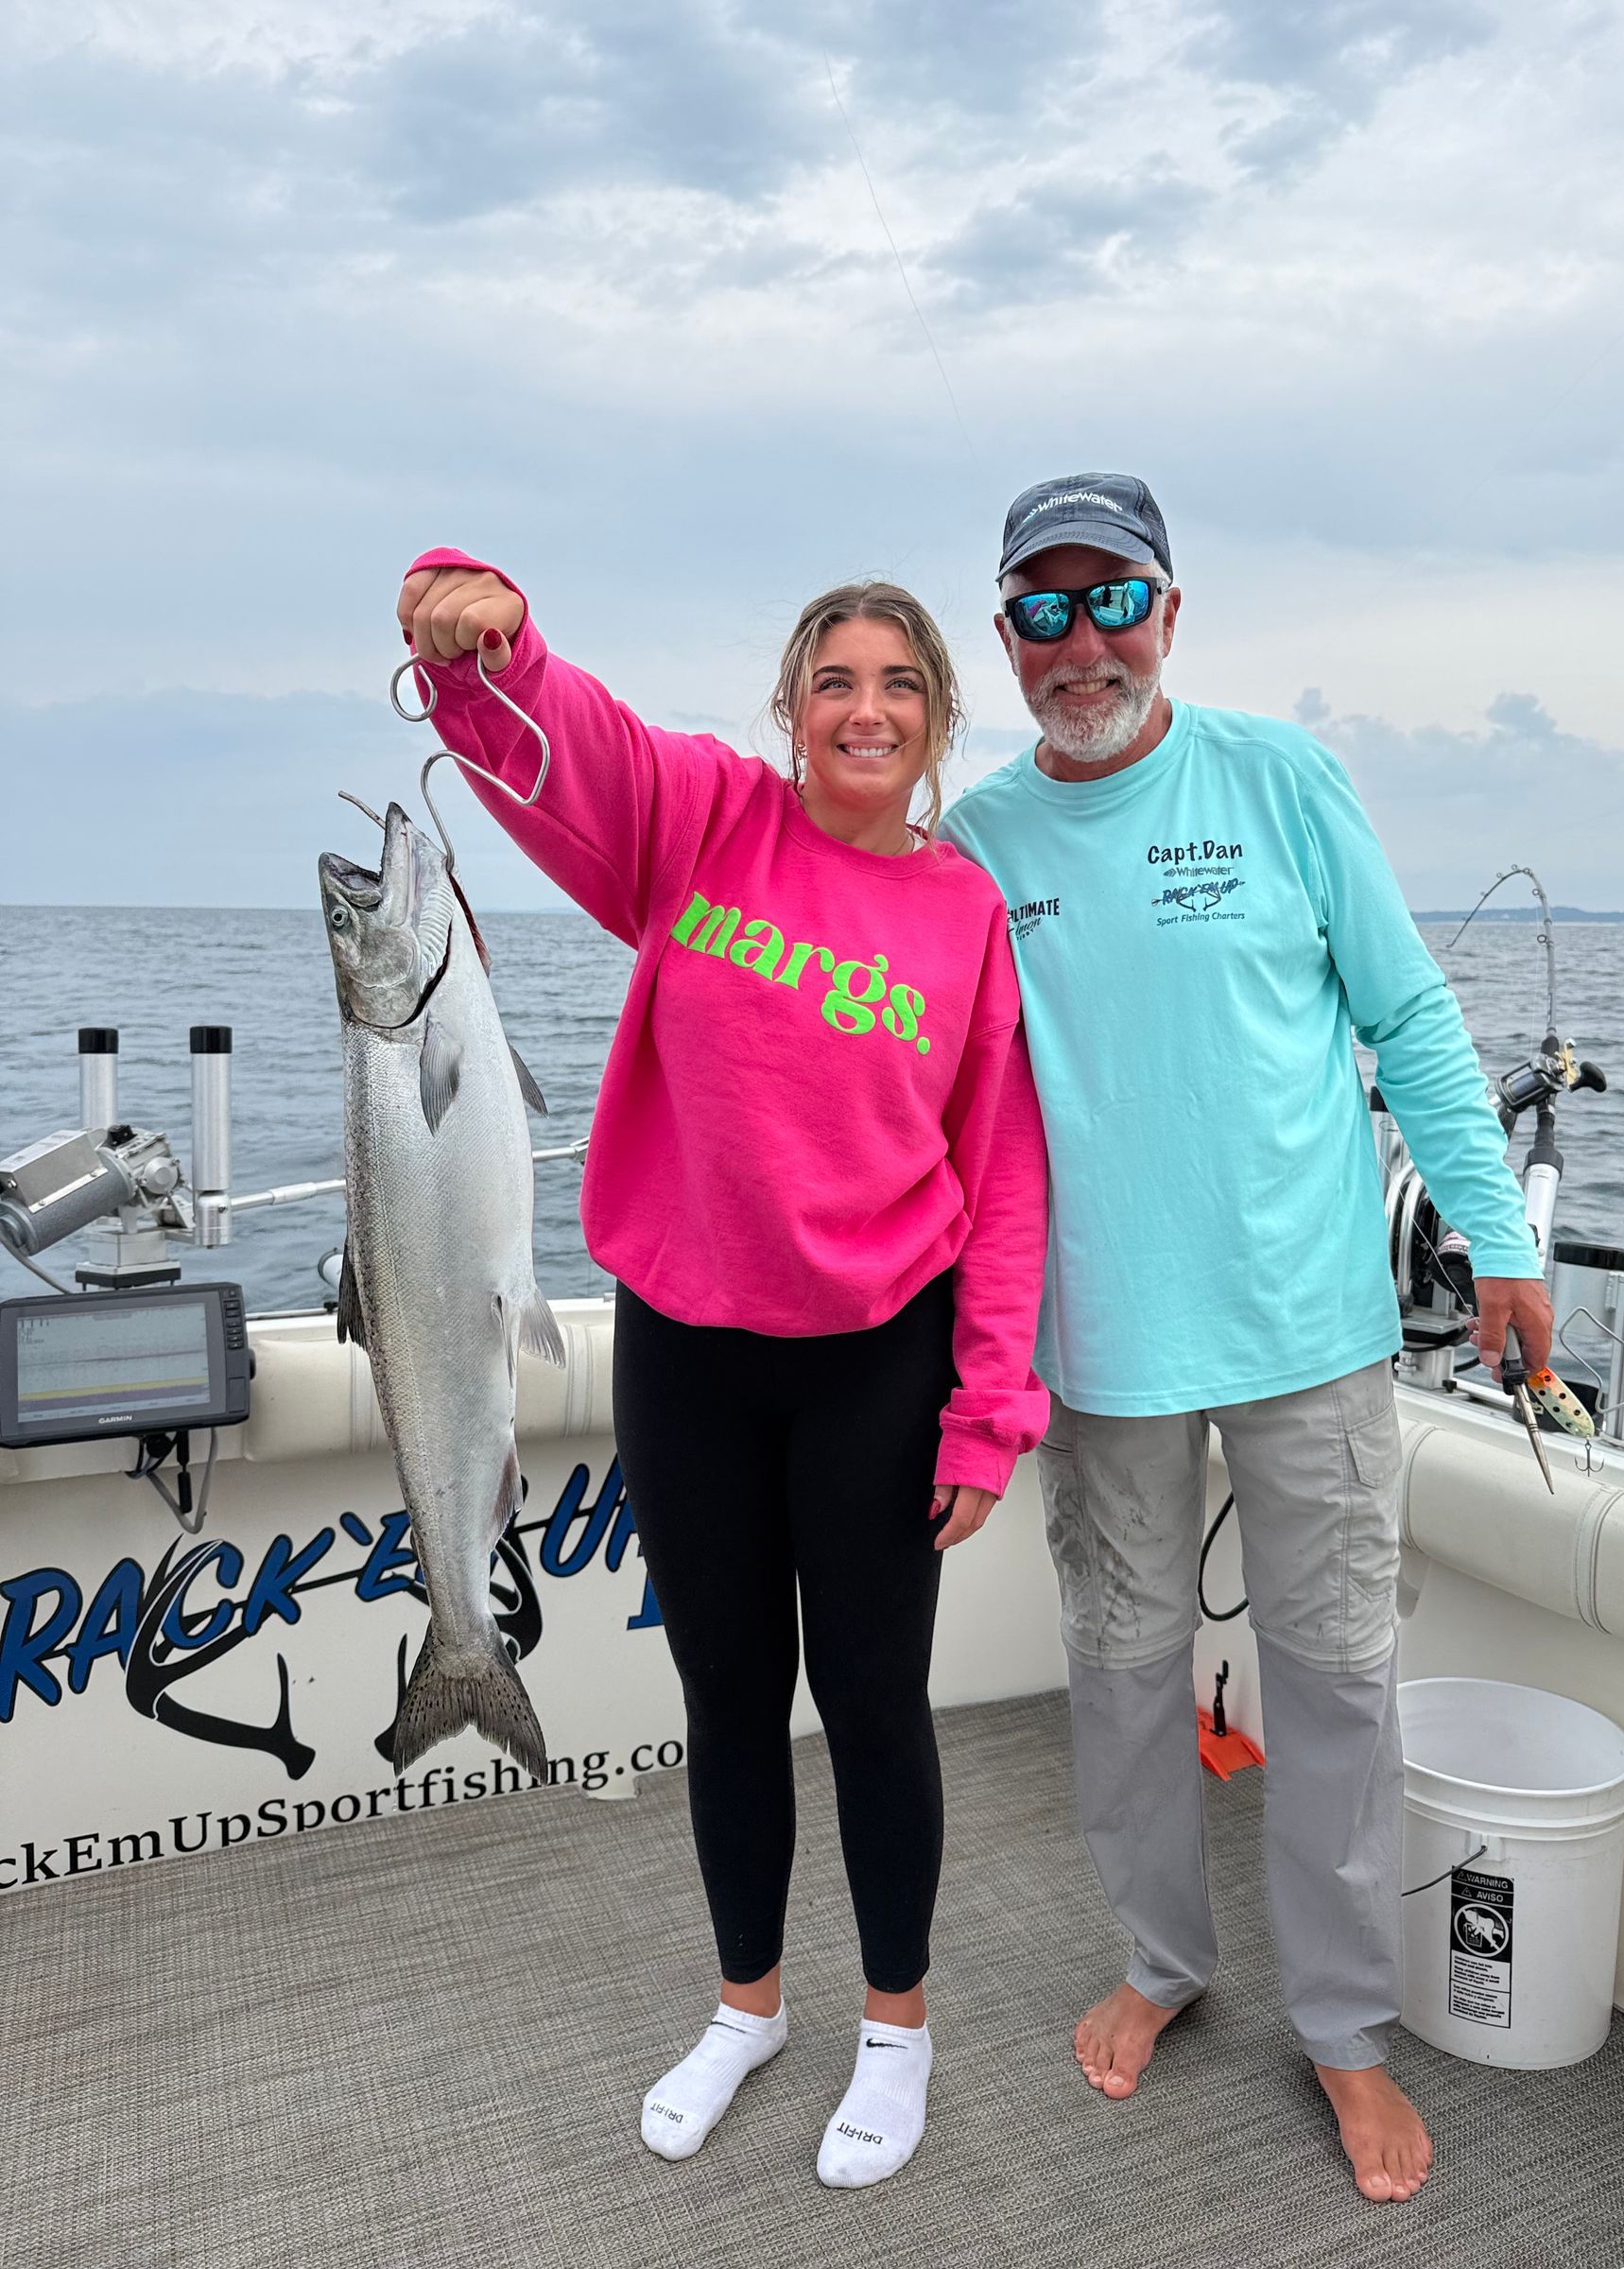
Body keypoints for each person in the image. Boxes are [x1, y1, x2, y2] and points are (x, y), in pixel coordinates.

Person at [395, 549, 1048, 2190]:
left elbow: (1005, 1173)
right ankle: (746, 2004)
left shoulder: (964, 913)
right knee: (729, 1702)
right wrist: (484, 631)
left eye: (901, 685)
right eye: (836, 680)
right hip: (687, 1356)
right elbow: (567, 740)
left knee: (876, 1708)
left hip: (876, 1368)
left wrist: (990, 1408)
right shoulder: (704, 830)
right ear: (792, 709)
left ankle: (895, 2029)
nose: (867, 709)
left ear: (937, 721)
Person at [940, 475, 1554, 2207]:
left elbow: (1411, 1013)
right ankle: (1164, 1958)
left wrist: (1496, 1237)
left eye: (1109, 597)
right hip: (1100, 1349)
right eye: (1041, 611)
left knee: (1338, 1682)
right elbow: (935, 1104)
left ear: (1170, 607)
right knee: (1125, 1676)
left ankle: (1347, 2030)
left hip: (1309, 1333)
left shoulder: (1282, 780)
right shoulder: (979, 845)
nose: (1081, 642)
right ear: (1005, 639)